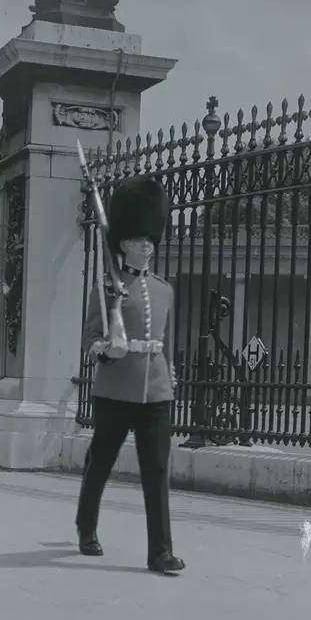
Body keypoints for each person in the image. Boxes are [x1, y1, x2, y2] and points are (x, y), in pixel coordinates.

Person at [75, 179, 185, 576]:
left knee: (156, 470)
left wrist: (169, 379)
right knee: (101, 462)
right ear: (122, 243)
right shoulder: (107, 288)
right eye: (139, 241)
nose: (147, 247)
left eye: (150, 240)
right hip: (116, 389)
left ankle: (161, 552)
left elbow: (166, 343)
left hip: (155, 390)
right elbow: (90, 339)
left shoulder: (164, 290)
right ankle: (86, 526)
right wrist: (107, 349)